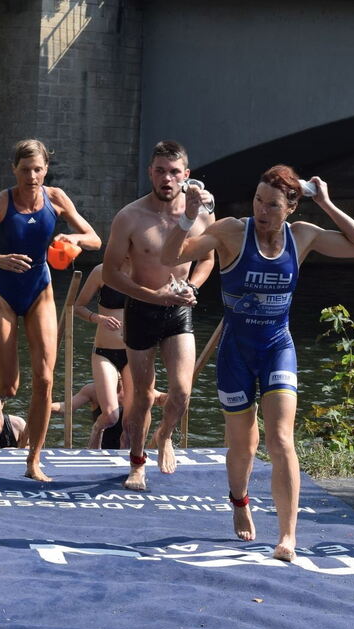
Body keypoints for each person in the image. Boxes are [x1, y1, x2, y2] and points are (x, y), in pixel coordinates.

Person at [162, 166, 354, 561]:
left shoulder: (303, 236)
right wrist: (189, 216)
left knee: (280, 440)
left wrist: (326, 203)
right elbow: (168, 254)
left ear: (290, 208)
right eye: (258, 201)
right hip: (236, 353)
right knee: (242, 445)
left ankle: (287, 536)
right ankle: (239, 499)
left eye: (273, 205)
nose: (262, 210)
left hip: (278, 346)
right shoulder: (230, 231)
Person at [0, 139, 101, 482]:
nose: (31, 176)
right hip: (1, 292)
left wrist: (75, 241)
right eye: (25, 170)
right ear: (14, 170)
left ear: (46, 169)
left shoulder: (56, 199)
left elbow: (94, 237)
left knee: (46, 378)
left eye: (38, 169)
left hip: (40, 289)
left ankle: (32, 459)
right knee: (9, 386)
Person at [101, 140, 217, 491]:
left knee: (182, 392)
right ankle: (137, 463)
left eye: (174, 172)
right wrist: (153, 295)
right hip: (142, 308)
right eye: (161, 171)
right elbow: (110, 274)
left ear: (186, 175)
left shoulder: (200, 215)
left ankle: (164, 435)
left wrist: (192, 287)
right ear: (151, 173)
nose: (167, 178)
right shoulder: (131, 217)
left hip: (179, 312)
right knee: (143, 396)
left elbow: (208, 259)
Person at [73, 263, 132, 446]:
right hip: (105, 352)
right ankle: (97, 429)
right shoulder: (101, 271)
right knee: (111, 416)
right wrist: (99, 318)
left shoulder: (145, 269)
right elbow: (78, 307)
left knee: (131, 422)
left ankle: (129, 460)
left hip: (134, 352)